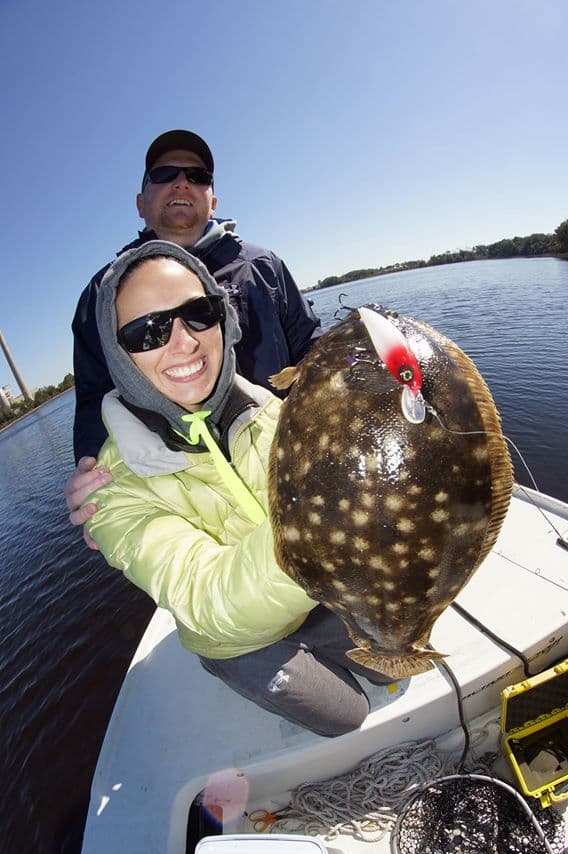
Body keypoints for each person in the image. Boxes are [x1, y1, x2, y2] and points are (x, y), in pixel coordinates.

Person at [83, 239, 390, 737]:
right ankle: (222, 664)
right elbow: (208, 599)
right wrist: (330, 521)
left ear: (222, 319)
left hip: (305, 595)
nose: (184, 341)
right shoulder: (110, 491)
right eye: (147, 331)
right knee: (346, 715)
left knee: (391, 661)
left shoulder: (270, 410)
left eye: (198, 313)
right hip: (235, 637)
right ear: (119, 355)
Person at [66, 129, 320, 541]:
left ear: (213, 201)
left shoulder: (263, 265)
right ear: (140, 204)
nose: (182, 182)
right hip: (194, 510)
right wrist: (95, 479)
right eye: (164, 174)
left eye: (198, 176)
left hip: (291, 464)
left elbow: (311, 347)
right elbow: (95, 398)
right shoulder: (102, 294)